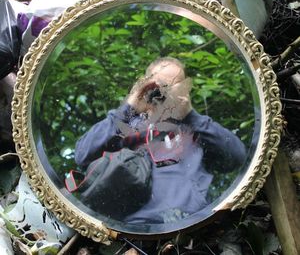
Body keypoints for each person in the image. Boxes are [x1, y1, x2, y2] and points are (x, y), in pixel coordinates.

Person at [74, 57, 246, 224]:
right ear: (146, 86)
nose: (165, 92)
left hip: (190, 226)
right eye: (160, 84)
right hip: (132, 229)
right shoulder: (125, 124)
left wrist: (190, 115)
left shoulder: (198, 129)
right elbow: (83, 155)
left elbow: (237, 157)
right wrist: (129, 108)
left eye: (174, 86)